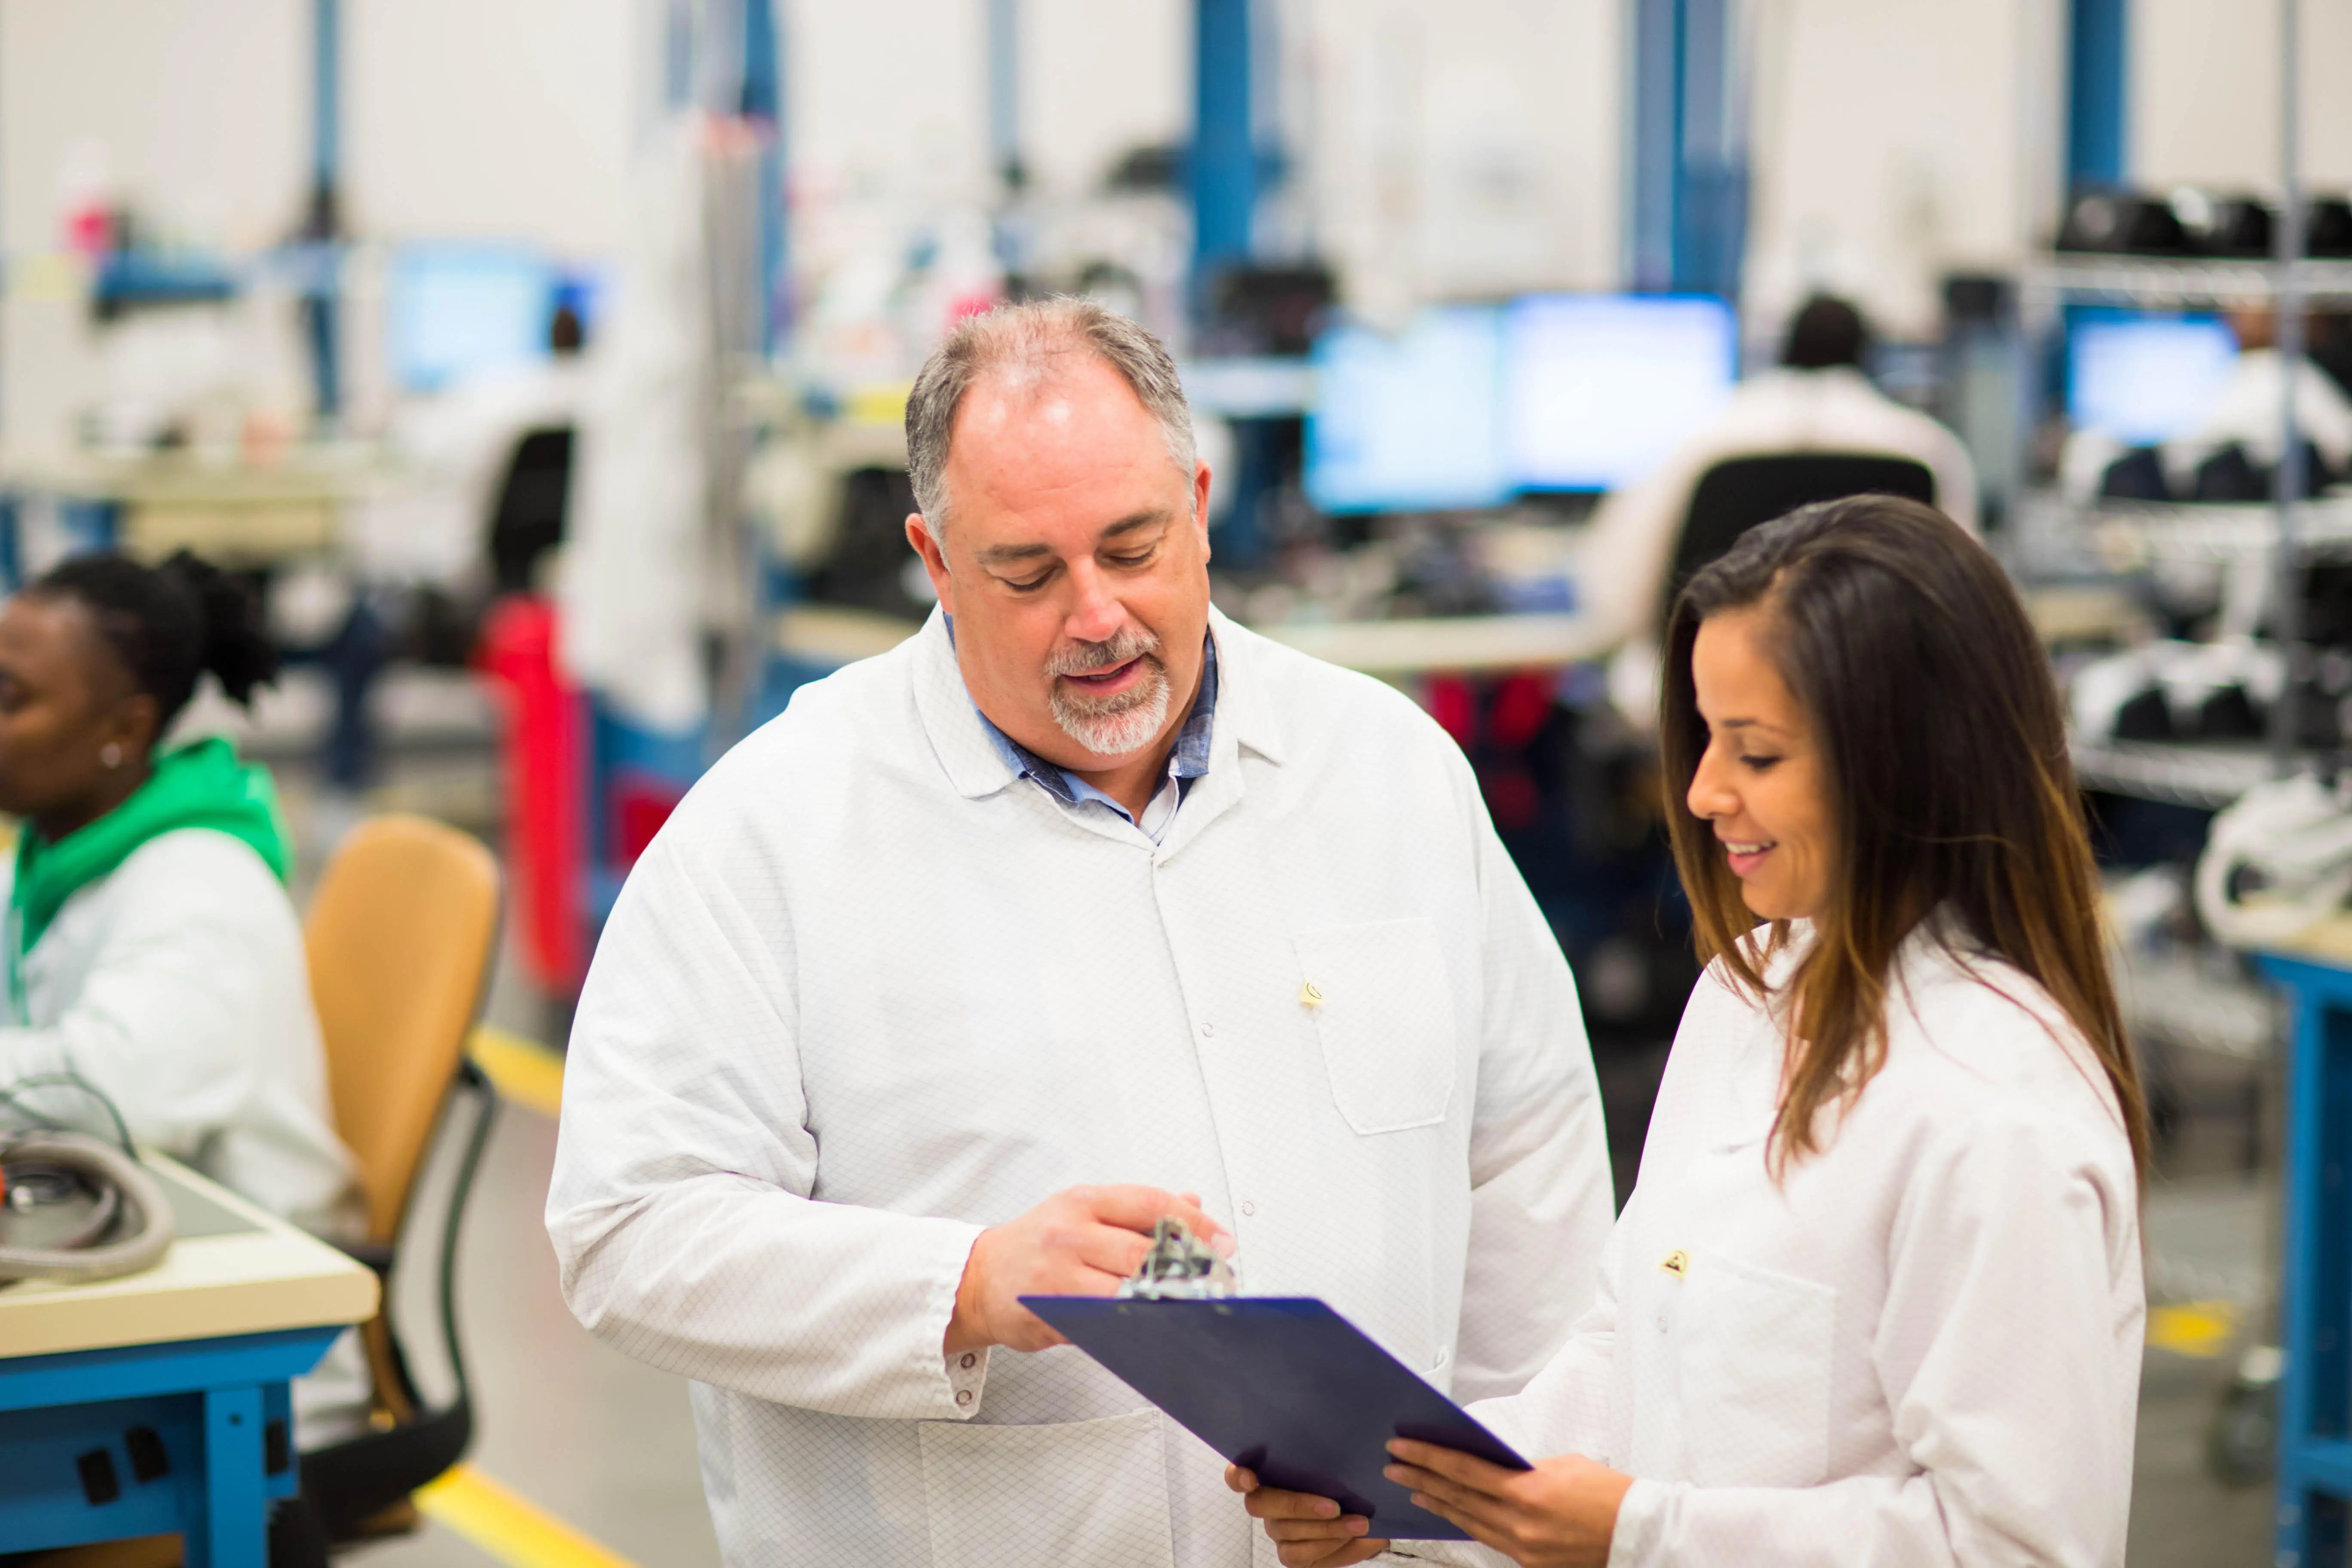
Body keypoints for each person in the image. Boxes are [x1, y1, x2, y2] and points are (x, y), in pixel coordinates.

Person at [545, 297, 1616, 1566]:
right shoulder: (773, 832)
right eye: (1029, 572)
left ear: (1199, 509)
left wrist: (1477, 1520)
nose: (1097, 614)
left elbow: (1528, 1170)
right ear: (936, 562)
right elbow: (629, 1226)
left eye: (1131, 547)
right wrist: (964, 1284)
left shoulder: (1389, 771)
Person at [1236, 495, 2147, 1567]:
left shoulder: (1995, 1115)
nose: (1704, 792)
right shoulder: (1746, 995)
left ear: (1907, 764)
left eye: (1756, 755)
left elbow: (2022, 1548)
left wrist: (1640, 1534)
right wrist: (1400, 1492)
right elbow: (1631, 1346)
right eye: (1706, 738)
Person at [1578, 295, 1979, 726]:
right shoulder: (1928, 450)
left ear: (1780, 349)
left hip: (1704, 703)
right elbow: (1964, 603)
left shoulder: (1705, 439)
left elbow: (1615, 595)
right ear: (1870, 357)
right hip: (1881, 709)